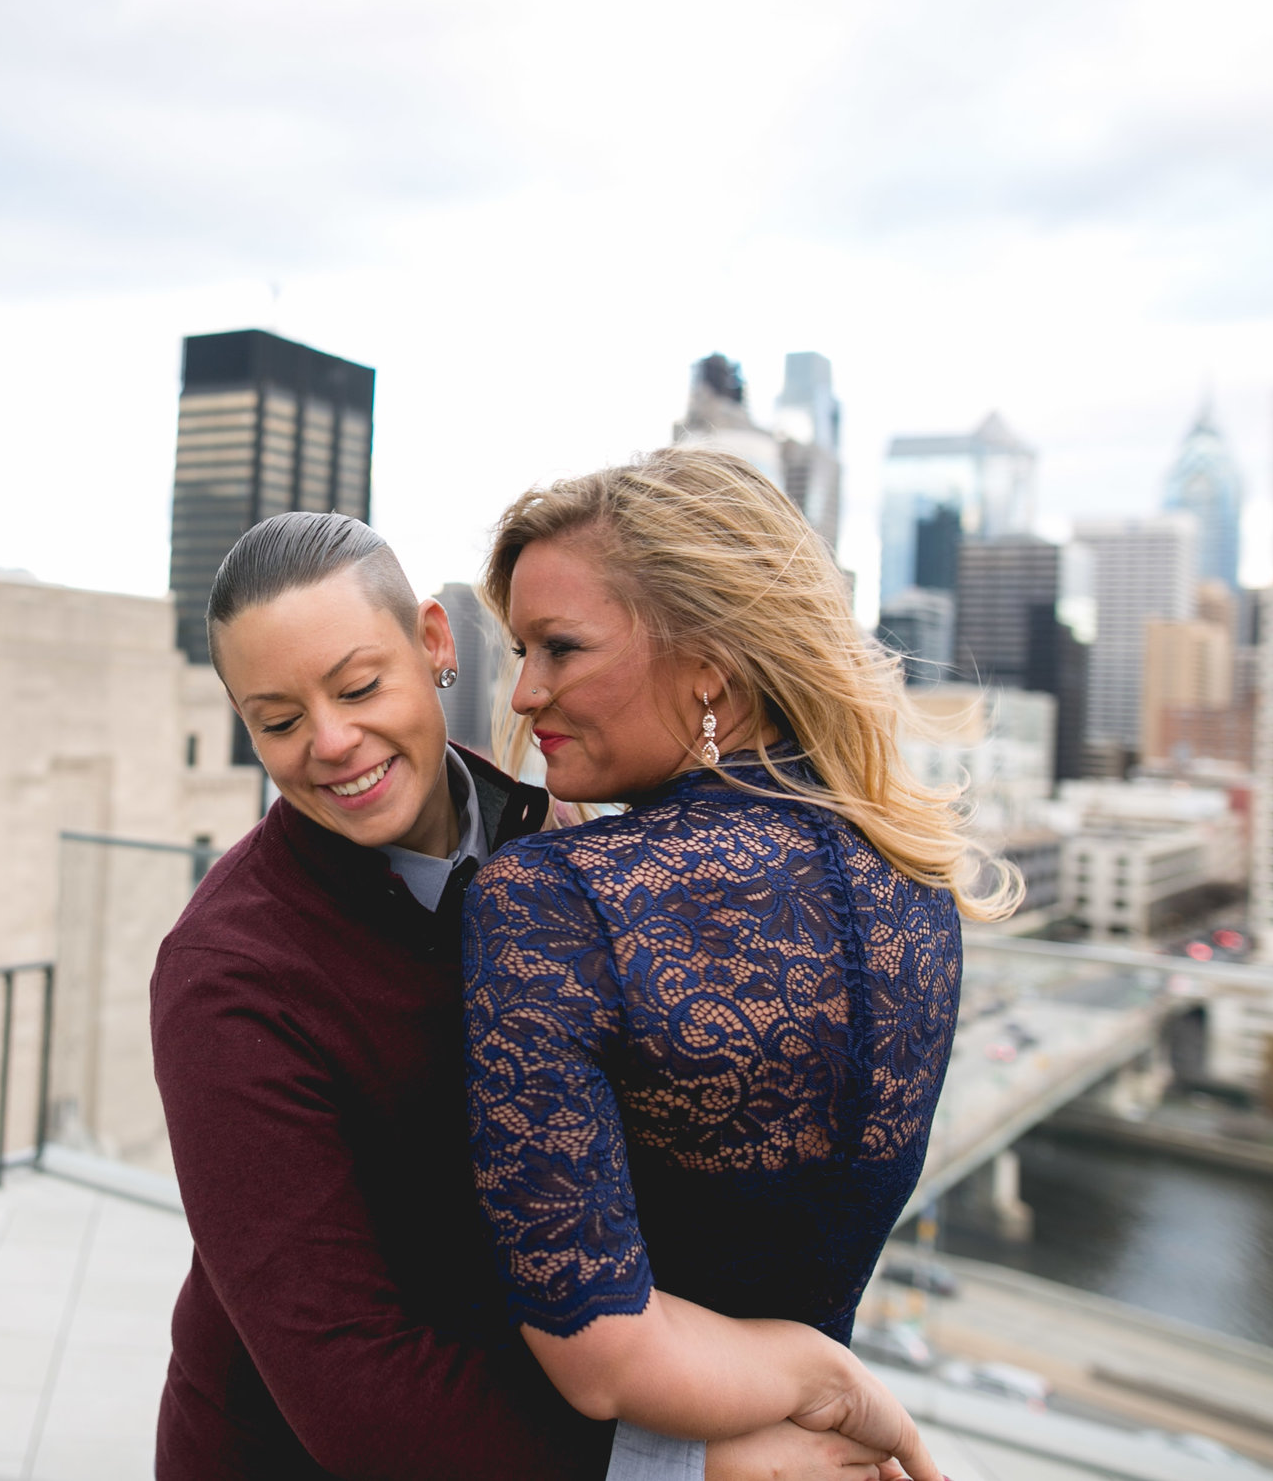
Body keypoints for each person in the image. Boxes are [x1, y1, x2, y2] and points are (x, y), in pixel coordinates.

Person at [151, 510, 921, 1481]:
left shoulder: (552, 840)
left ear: (433, 644)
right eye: (278, 719)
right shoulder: (227, 974)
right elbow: (351, 1381)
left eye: (357, 685)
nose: (332, 740)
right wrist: (695, 1462)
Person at [463, 450, 1011, 1460]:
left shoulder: (556, 900)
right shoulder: (912, 874)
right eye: (519, 649)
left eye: (561, 647)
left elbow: (598, 1352)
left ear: (709, 662)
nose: (527, 690)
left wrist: (835, 1382)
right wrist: (827, 1372)